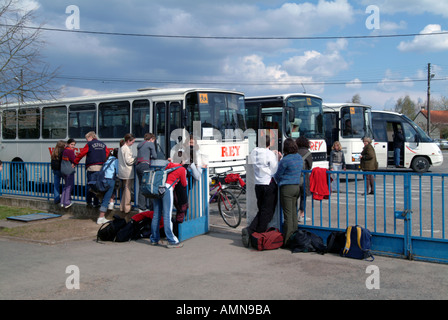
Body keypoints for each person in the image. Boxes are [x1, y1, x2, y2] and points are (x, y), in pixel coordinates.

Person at [242, 135, 279, 248]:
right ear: (269, 144)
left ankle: (252, 231)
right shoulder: (270, 154)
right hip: (268, 183)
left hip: (258, 184)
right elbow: (274, 169)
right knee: (267, 212)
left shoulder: (254, 152)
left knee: (262, 210)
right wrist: (277, 156)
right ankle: (256, 234)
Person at [150, 161, 187, 248]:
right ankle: (172, 240)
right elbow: (184, 183)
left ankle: (154, 239)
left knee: (156, 215)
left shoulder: (169, 165)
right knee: (167, 215)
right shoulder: (182, 169)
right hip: (167, 189)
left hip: (158, 188)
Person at [274, 138, 303, 247]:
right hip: (296, 187)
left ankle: (287, 240)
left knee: (287, 215)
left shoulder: (285, 160)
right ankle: (295, 236)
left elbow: (278, 175)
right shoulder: (299, 158)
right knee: (294, 214)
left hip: (286, 188)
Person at [74, 131, 107, 208]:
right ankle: (97, 202)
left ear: (90, 137)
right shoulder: (103, 144)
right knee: (98, 186)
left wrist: (75, 162)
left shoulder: (89, 144)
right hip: (101, 168)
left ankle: (89, 202)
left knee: (90, 185)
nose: (86, 140)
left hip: (92, 167)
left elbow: (81, 154)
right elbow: (107, 154)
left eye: (87, 138)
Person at [136, 133, 158, 212]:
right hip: (145, 166)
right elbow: (155, 156)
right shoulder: (150, 144)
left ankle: (141, 207)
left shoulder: (140, 144)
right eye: (154, 140)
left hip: (138, 166)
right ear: (151, 139)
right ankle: (149, 207)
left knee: (141, 186)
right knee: (148, 186)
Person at [97, 148, 119, 225]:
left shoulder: (107, 159)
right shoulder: (116, 161)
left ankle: (110, 204)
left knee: (105, 196)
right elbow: (117, 171)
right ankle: (101, 217)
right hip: (110, 180)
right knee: (106, 198)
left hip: (104, 179)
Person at [118, 133, 136, 215]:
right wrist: (135, 158)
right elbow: (129, 161)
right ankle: (127, 207)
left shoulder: (121, 148)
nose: (133, 143)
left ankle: (122, 206)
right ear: (128, 141)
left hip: (122, 171)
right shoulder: (126, 149)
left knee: (125, 189)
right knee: (128, 189)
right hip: (128, 172)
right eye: (132, 142)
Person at [296, 136, 313, 222]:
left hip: (295, 177)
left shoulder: (295, 152)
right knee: (303, 197)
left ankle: (294, 214)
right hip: (304, 177)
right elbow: (310, 166)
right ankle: (302, 214)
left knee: (295, 196)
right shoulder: (307, 153)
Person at [61, 139, 77, 209]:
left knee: (66, 186)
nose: (73, 146)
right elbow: (74, 160)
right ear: (68, 144)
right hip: (69, 171)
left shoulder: (64, 150)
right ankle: (67, 202)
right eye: (72, 144)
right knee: (69, 186)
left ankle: (62, 202)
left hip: (63, 170)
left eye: (74, 145)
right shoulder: (70, 151)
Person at [50, 140, 66, 204]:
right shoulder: (63, 151)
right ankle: (64, 198)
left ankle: (56, 199)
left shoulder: (54, 151)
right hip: (62, 170)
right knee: (67, 184)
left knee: (56, 185)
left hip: (55, 170)